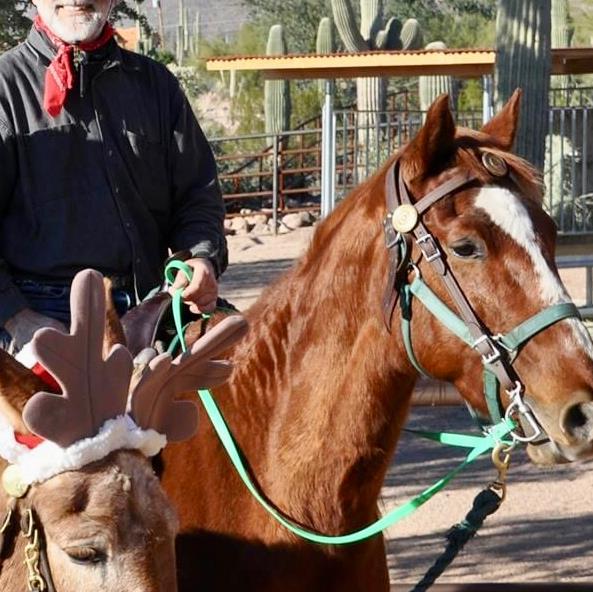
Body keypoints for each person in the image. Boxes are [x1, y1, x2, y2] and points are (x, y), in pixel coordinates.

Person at [0, 0, 227, 353]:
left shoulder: (156, 86)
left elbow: (197, 194)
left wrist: (200, 256)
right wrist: (15, 317)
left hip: (151, 305)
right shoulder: (4, 89)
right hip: (42, 315)